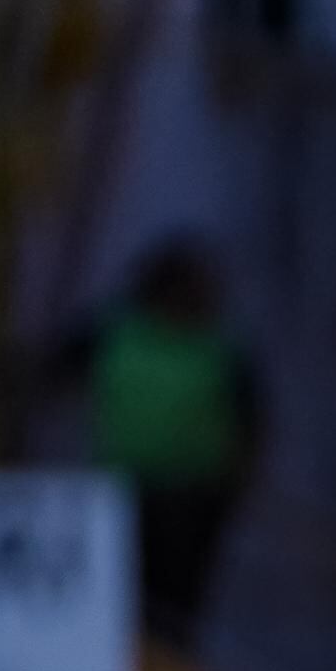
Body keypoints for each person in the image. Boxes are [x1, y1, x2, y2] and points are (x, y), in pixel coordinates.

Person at [60, 236, 266, 647]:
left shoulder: (220, 346)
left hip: (192, 498)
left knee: (176, 609)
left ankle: (169, 668)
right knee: (120, 603)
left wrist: (237, 483)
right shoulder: (115, 331)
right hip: (118, 493)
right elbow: (54, 371)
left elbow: (252, 419)